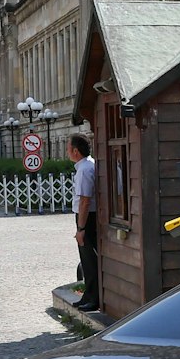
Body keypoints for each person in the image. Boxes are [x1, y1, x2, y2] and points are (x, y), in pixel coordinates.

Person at [68, 134, 100, 312]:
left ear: (75, 151)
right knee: (87, 259)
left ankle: (93, 298)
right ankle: (88, 295)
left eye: (68, 148)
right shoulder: (87, 165)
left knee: (89, 259)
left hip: (87, 218)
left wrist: (81, 228)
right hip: (89, 216)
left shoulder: (84, 169)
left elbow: (85, 200)